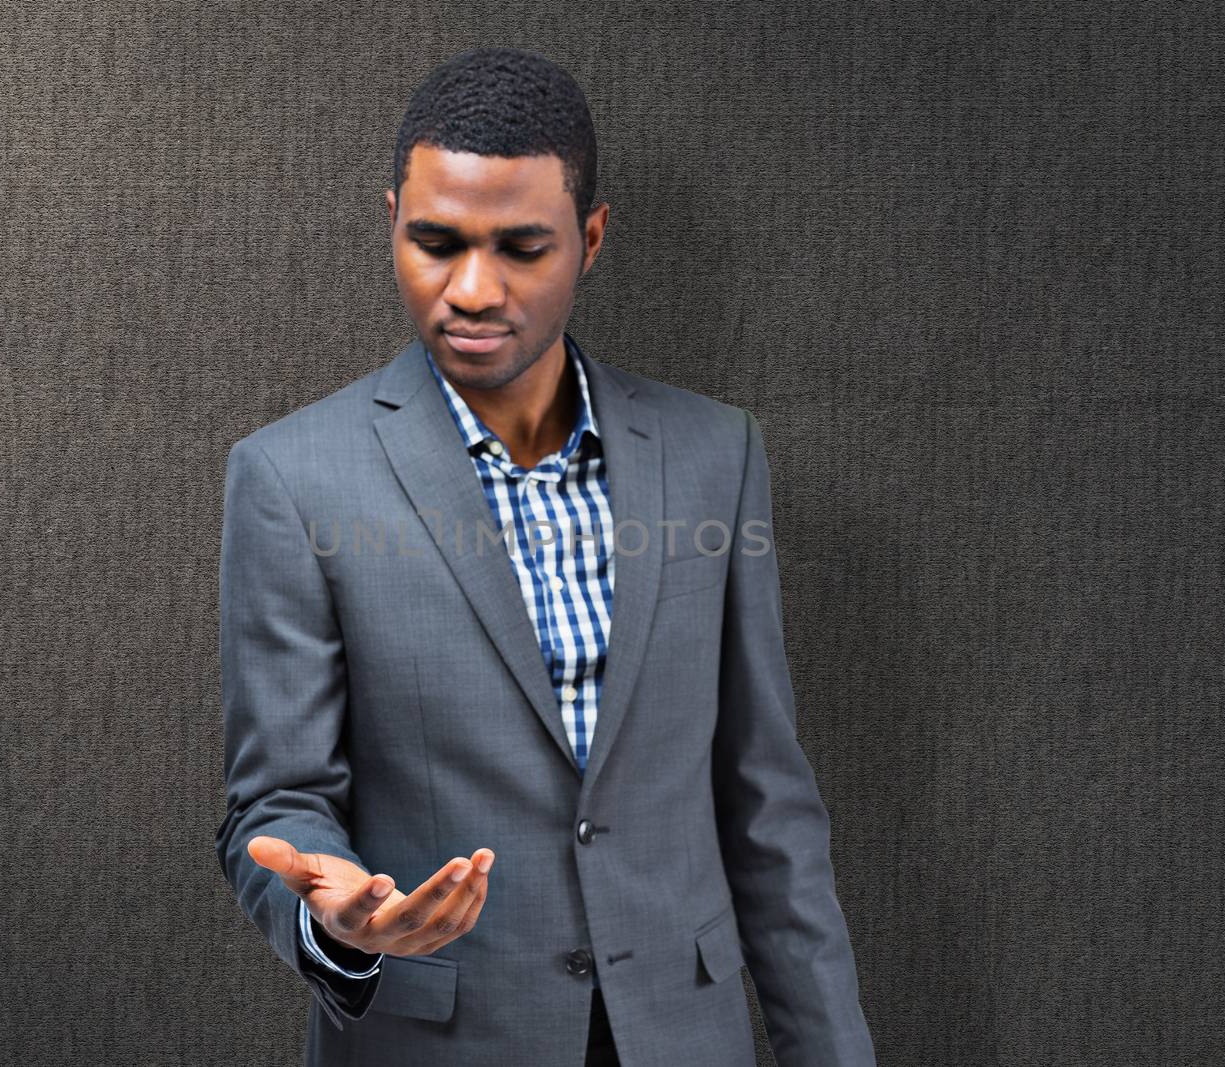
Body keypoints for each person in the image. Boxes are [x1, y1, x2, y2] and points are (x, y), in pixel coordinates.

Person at [214, 45, 876, 1066]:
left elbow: (767, 807)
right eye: (435, 241)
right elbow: (279, 800)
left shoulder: (713, 457)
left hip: (681, 1037)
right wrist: (337, 920)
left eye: (521, 247)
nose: (471, 289)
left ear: (592, 238)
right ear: (391, 217)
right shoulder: (292, 478)